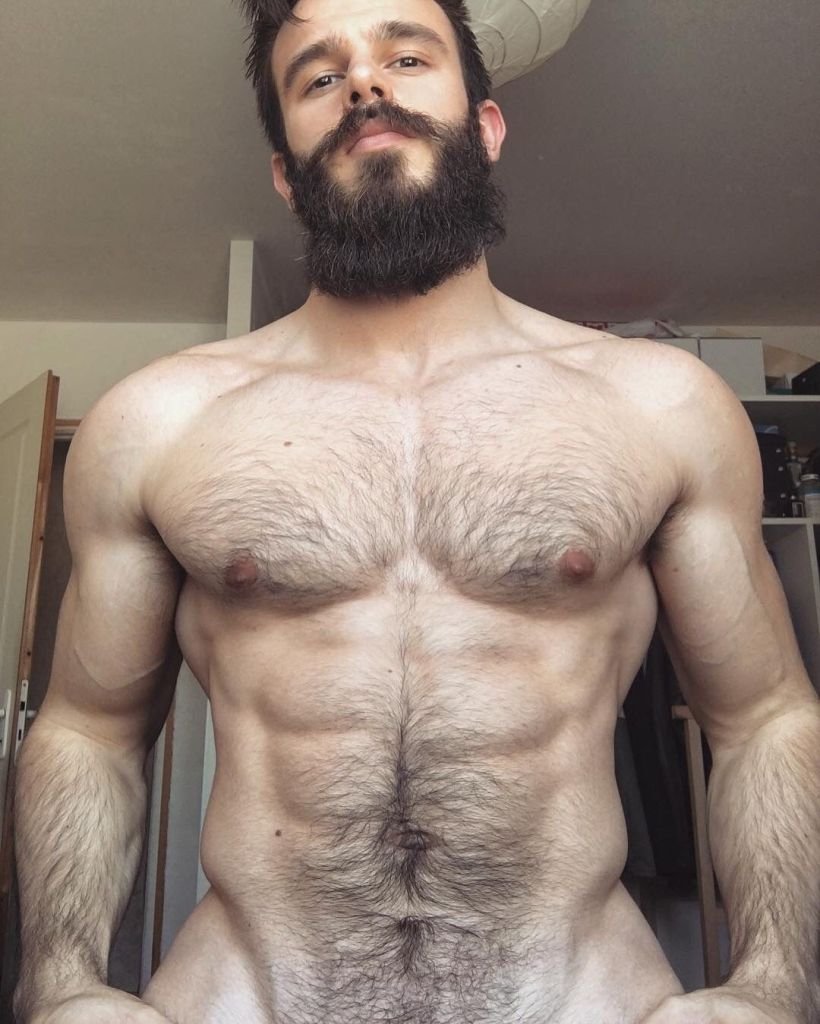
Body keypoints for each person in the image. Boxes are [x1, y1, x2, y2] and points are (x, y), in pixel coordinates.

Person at [13, 0, 820, 1021]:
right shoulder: (157, 423)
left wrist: (774, 984)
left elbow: (763, 719)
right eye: (319, 76)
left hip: (581, 994)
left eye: (405, 55)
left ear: (486, 125)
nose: (364, 84)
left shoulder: (659, 406)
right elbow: (88, 734)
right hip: (249, 995)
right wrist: (60, 982)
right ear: (285, 171)